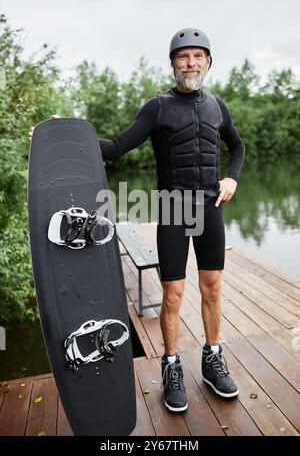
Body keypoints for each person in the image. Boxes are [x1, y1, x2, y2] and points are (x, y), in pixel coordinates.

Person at [29, 28, 245, 414]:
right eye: (183, 57)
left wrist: (232, 177)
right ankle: (171, 366)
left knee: (212, 289)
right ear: (173, 63)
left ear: (209, 62)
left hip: (210, 208)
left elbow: (237, 145)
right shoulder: (158, 106)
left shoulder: (218, 106)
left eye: (198, 56)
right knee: (174, 295)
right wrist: (62, 133)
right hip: (174, 210)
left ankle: (213, 360)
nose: (191, 63)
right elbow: (117, 147)